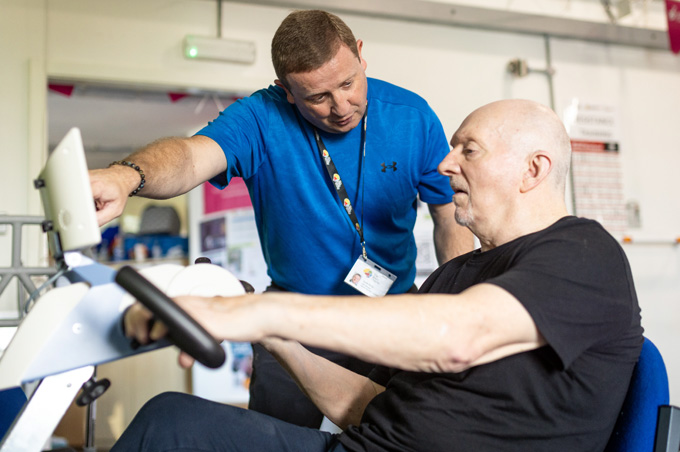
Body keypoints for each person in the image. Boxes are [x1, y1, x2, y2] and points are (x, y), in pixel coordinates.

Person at [116, 99, 643, 452]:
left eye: (469, 150)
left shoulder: (584, 253)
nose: (445, 164)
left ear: (534, 169)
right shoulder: (456, 273)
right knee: (171, 422)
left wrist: (250, 309)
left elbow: (459, 337)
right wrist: (273, 336)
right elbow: (365, 407)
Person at [89, 9, 474, 428]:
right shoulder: (260, 118)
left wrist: (453, 302)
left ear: (361, 55)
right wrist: (127, 175)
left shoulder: (412, 116)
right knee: (276, 438)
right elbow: (188, 156)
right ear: (286, 91)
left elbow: (448, 212)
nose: (341, 106)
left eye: (348, 83)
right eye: (318, 97)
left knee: (403, 436)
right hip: (293, 322)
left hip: (394, 314)